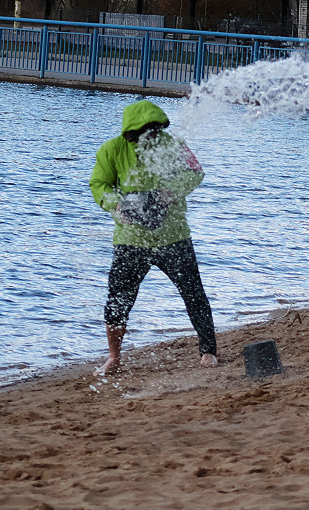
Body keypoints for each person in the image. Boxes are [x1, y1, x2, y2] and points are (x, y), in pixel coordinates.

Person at [89, 100, 218, 374]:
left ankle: (208, 351)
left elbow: (195, 172)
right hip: (130, 239)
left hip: (173, 236)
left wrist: (168, 192)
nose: (152, 137)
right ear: (131, 133)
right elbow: (98, 185)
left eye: (156, 130)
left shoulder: (173, 144)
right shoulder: (111, 150)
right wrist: (117, 205)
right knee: (118, 300)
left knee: (194, 295)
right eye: (146, 131)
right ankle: (114, 357)